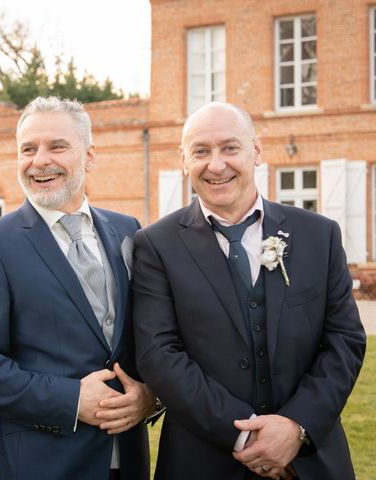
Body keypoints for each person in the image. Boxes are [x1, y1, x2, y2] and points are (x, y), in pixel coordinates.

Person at [132, 101, 366, 480]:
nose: (216, 164)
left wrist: (295, 427)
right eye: (201, 151)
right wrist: (245, 437)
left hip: (309, 462)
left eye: (230, 147)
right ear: (183, 159)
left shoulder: (318, 235)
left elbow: (345, 341)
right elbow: (159, 354)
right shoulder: (156, 245)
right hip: (201, 463)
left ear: (256, 151)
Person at [0, 96, 159, 480]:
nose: (39, 160)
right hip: (43, 462)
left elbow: (149, 339)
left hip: (127, 459)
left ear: (89, 156)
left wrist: (150, 397)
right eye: (27, 149)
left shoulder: (128, 230)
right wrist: (71, 399)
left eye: (57, 146)